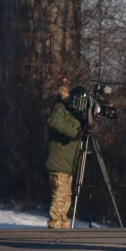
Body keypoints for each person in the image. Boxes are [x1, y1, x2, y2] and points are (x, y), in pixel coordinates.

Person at [46, 85, 82, 229]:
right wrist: (73, 132)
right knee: (60, 196)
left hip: (67, 163)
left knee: (66, 197)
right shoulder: (60, 107)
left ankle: (62, 225)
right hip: (59, 161)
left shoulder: (73, 113)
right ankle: (55, 225)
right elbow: (53, 122)